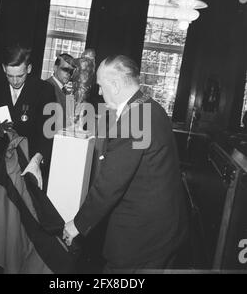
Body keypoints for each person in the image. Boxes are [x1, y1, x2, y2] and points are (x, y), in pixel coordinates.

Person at [63, 55, 189, 273]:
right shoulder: (150, 106)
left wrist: (77, 224)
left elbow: (110, 185)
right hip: (165, 228)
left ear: (116, 84)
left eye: (101, 86)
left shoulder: (133, 120)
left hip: (143, 237)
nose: (100, 92)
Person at [0, 42, 56, 188]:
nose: (14, 81)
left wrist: (36, 160)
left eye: (20, 76)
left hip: (27, 163)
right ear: (3, 68)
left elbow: (48, 133)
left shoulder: (45, 90)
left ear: (29, 68)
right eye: (10, 76)